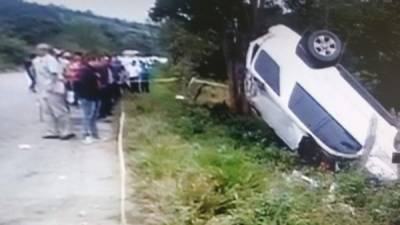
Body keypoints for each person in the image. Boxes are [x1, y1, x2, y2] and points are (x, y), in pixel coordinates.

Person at [32, 43, 75, 140]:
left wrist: (50, 86)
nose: (37, 51)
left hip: (53, 88)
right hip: (42, 88)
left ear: (45, 50)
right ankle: (52, 131)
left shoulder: (50, 60)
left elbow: (54, 74)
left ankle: (66, 131)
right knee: (47, 111)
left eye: (40, 50)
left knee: (59, 111)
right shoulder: (36, 61)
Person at [75, 55, 101, 144]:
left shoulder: (93, 71)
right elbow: (78, 84)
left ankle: (94, 134)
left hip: (94, 96)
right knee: (87, 116)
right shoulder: (85, 71)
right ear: (91, 61)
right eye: (97, 61)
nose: (99, 63)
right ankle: (85, 134)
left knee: (93, 117)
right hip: (87, 97)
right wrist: (81, 96)